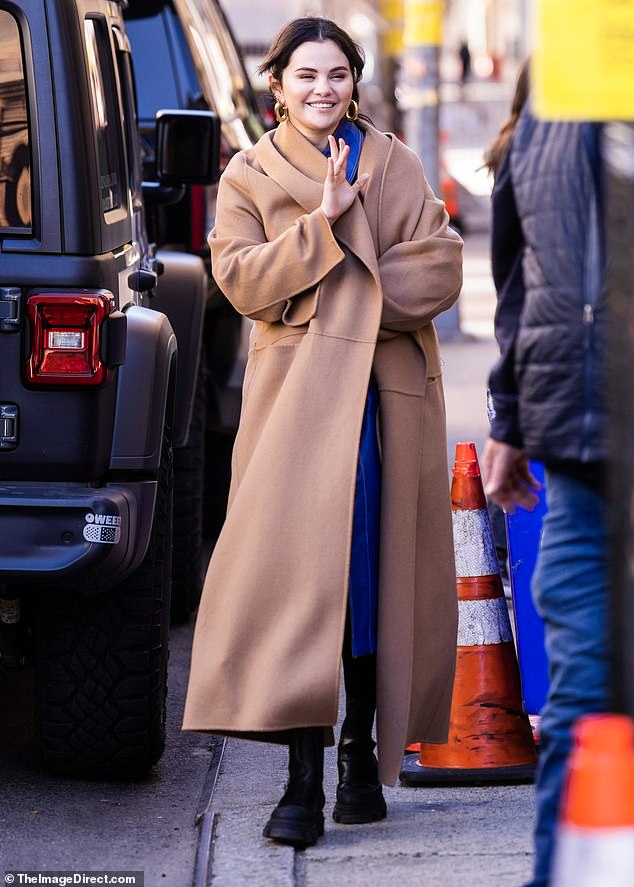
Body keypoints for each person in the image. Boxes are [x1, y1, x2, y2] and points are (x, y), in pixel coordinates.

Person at [182, 16, 463, 848]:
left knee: (374, 585)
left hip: (384, 407)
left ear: (355, 80)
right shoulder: (249, 173)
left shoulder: (396, 163)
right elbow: (240, 281)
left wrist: (323, 288)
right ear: (276, 86)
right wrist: (326, 224)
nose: (323, 91)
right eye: (306, 76)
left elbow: (438, 267)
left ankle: (356, 757)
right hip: (295, 413)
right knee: (301, 588)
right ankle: (300, 777)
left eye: (337, 75)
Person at [481, 66, 610, 887]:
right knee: (583, 706)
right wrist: (510, 418)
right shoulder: (551, 117)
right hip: (581, 443)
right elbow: (523, 287)